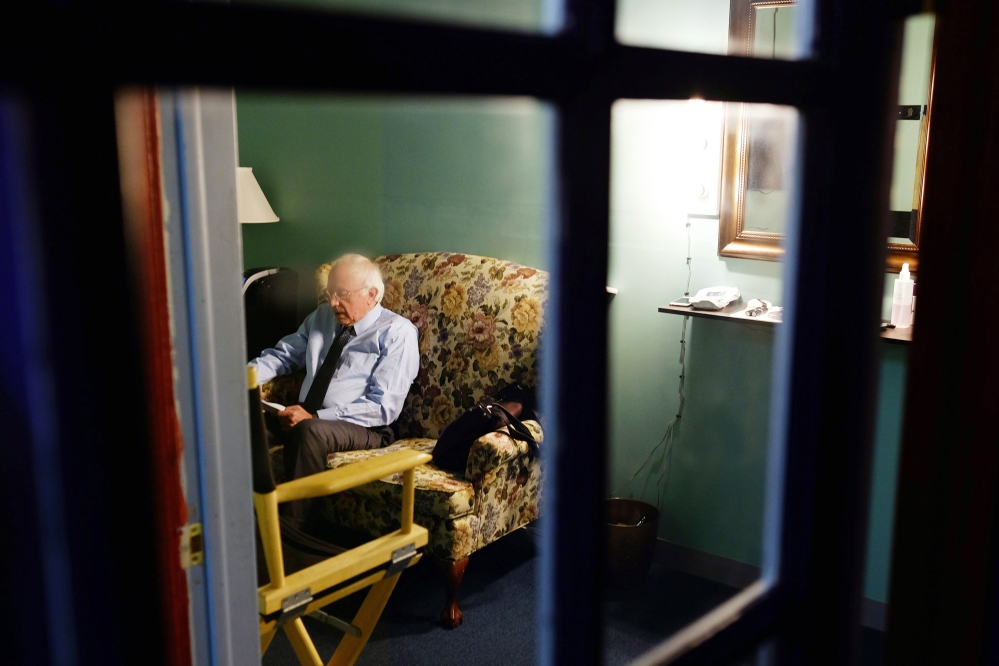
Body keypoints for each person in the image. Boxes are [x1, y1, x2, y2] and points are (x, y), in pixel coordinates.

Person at [250, 253, 419, 526]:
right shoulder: (321, 317)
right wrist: (241, 379)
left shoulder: (397, 332)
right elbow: (282, 356)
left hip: (366, 427)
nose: (332, 302)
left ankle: (291, 537)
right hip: (308, 416)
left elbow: (382, 408)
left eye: (341, 294)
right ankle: (244, 523)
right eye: (331, 292)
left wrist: (315, 418)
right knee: (247, 422)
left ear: (371, 294)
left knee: (309, 431)